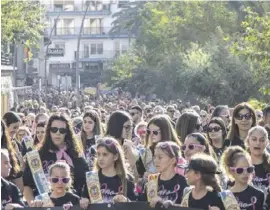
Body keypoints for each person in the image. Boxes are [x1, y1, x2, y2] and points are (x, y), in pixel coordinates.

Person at [23, 113, 88, 204]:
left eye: (62, 130)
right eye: (54, 130)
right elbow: (27, 186)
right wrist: (32, 203)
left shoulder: (76, 156)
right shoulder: (36, 156)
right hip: (44, 205)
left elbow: (86, 182)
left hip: (71, 205)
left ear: (67, 133)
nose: (58, 133)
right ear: (48, 131)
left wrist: (85, 199)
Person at [80, 137, 136, 207]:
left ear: (115, 157)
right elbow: (84, 198)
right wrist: (84, 200)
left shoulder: (126, 178)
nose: (100, 158)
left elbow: (135, 204)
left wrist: (125, 200)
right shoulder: (92, 178)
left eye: (105, 154)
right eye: (98, 154)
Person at [140, 141, 188, 206]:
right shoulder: (151, 181)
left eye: (160, 157)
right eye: (155, 157)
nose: (155, 161)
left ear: (173, 160)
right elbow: (142, 205)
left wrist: (163, 203)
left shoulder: (182, 182)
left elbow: (185, 206)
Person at [245, 126, 270, 197]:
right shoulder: (240, 165)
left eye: (262, 140)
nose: (258, 143)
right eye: (254, 139)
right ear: (248, 141)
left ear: (267, 143)